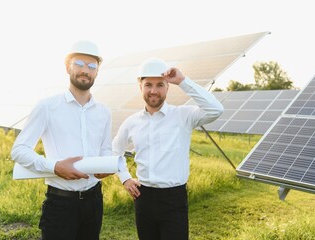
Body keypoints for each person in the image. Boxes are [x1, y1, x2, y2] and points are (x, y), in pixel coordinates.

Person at [113, 58, 224, 240]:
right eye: (148, 84)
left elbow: (216, 109)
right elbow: (115, 150)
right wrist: (125, 178)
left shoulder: (183, 115)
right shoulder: (131, 122)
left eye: (160, 85)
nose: (154, 91)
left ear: (168, 87)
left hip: (174, 199)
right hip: (143, 197)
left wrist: (182, 81)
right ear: (140, 86)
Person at [11, 40, 112, 240]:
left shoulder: (104, 112)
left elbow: (106, 149)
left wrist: (106, 165)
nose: (85, 70)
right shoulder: (47, 106)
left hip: (94, 200)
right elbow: (19, 150)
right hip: (60, 203)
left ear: (97, 72)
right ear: (67, 67)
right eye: (79, 64)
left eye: (92, 66)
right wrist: (54, 166)